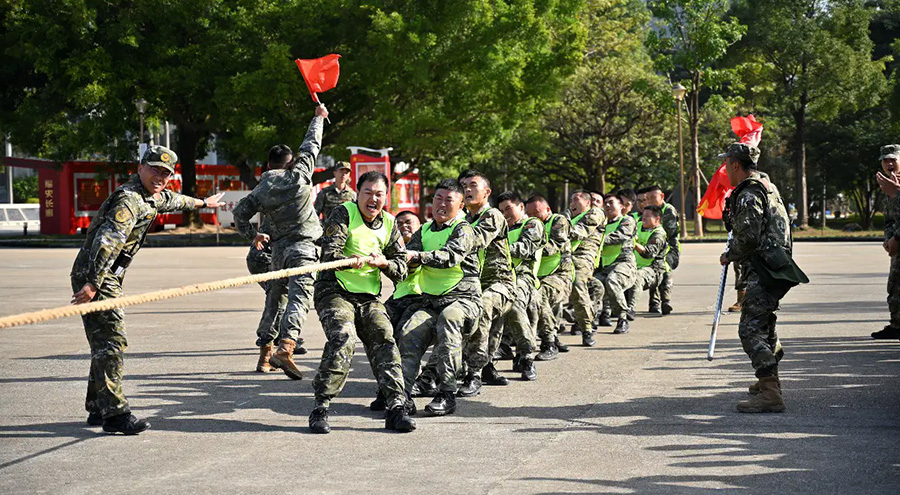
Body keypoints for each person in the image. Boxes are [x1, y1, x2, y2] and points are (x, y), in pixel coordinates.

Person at [70, 145, 225, 435]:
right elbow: (107, 242)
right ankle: (115, 414)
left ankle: (98, 407)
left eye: (166, 173)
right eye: (154, 169)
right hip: (98, 275)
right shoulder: (128, 201)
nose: (160, 176)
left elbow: (175, 200)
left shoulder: (149, 197)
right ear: (140, 167)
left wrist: (204, 203)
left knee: (103, 342)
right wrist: (93, 283)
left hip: (105, 275)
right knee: (113, 340)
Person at [308, 171, 416, 434]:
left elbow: (401, 268)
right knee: (344, 336)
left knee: (385, 335)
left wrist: (384, 263)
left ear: (385, 198)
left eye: (379, 194)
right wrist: (349, 257)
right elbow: (330, 251)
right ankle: (320, 407)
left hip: (368, 298)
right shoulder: (343, 213)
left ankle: (396, 407)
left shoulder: (390, 224)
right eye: (368, 192)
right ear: (358, 194)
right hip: (334, 291)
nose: (373, 199)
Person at [233, 104, 328, 381]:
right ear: (289, 162)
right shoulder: (299, 176)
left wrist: (253, 235)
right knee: (300, 298)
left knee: (274, 300)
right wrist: (318, 118)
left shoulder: (261, 189)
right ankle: (286, 348)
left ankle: (264, 355)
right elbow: (311, 145)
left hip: (278, 251)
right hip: (304, 250)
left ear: (267, 165)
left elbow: (240, 214)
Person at [719, 142, 806, 413]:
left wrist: (729, 254)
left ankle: (770, 391)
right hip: (775, 265)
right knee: (765, 325)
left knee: (749, 329)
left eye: (726, 164)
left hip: (763, 268)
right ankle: (768, 380)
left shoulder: (749, 193)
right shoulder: (766, 185)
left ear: (735, 164)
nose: (724, 169)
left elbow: (748, 236)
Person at [398, 179, 482, 416]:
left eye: (449, 200)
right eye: (438, 198)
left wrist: (417, 256)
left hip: (463, 301)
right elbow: (405, 260)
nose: (442, 204)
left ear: (461, 205)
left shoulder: (464, 229)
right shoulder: (423, 230)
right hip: (430, 302)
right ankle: (401, 395)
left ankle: (446, 393)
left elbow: (450, 256)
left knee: (449, 320)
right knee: (409, 331)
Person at [457, 170, 517, 393]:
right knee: (489, 329)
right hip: (476, 283)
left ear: (487, 192)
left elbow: (476, 241)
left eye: (473, 185)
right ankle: (487, 367)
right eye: (463, 186)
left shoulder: (492, 216)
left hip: (502, 283)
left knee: (482, 308)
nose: (467, 190)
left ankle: (474, 374)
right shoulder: (463, 219)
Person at [496, 191, 542, 380]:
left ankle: (526, 357)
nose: (505, 214)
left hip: (523, 276)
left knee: (514, 305)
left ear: (521, 207)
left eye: (509, 209)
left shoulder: (532, 224)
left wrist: (498, 246)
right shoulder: (502, 230)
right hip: (500, 276)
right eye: (501, 211)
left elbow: (525, 248)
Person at [525, 195, 573, 361]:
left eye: (537, 213)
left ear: (548, 210)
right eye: (529, 214)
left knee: (541, 295)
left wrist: (525, 248)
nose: (534, 217)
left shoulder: (559, 221)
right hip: (538, 274)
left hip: (561, 274)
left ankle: (549, 343)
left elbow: (553, 247)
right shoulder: (528, 225)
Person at [567, 190, 605, 346]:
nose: (572, 203)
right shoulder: (568, 216)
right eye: (570, 200)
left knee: (577, 284)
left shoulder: (594, 213)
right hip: (563, 255)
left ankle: (587, 329)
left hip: (583, 256)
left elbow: (578, 232)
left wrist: (559, 229)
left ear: (587, 203)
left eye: (576, 199)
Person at [595, 194, 637, 334]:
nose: (607, 206)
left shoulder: (627, 220)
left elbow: (620, 236)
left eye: (611, 203)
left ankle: (622, 318)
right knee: (590, 284)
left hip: (624, 264)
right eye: (605, 203)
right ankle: (583, 321)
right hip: (604, 267)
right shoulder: (601, 225)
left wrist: (596, 239)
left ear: (621, 206)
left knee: (613, 280)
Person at [873, 144, 900, 339]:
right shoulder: (887, 184)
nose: (889, 163)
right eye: (885, 160)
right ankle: (897, 324)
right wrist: (888, 239)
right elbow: (890, 219)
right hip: (897, 244)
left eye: (893, 159)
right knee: (895, 285)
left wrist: (897, 238)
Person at [641, 185, 681, 315]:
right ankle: (655, 303)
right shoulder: (647, 211)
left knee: (664, 268)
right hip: (653, 247)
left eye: (653, 197)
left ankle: (664, 301)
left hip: (669, 248)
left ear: (662, 196)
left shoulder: (668, 210)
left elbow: (668, 233)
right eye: (648, 198)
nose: (650, 201)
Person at [630, 205, 668, 315]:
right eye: (643, 215)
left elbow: (648, 253)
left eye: (647, 216)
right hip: (634, 265)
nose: (644, 218)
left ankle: (630, 308)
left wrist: (633, 243)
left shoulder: (659, 234)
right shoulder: (639, 226)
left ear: (657, 219)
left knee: (636, 278)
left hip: (653, 269)